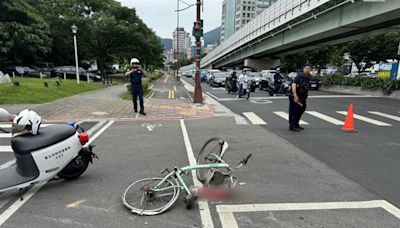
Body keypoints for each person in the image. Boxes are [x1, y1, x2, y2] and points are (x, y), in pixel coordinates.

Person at [288, 64, 312, 131]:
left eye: (309, 68)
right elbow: (293, 85)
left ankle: (296, 124)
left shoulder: (308, 77)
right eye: (306, 68)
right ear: (304, 68)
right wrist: (295, 95)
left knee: (302, 108)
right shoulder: (299, 75)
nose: (308, 69)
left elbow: (306, 86)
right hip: (294, 96)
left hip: (302, 96)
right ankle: (292, 126)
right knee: (294, 111)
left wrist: (307, 93)